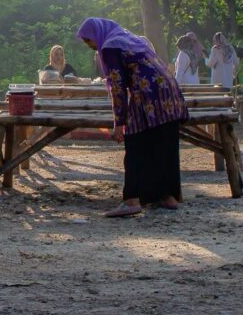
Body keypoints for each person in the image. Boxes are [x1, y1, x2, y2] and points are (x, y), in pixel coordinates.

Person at [77, 17, 188, 217]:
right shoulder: (132, 39)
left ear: (97, 34)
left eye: (89, 41)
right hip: (169, 91)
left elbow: (117, 86)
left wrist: (119, 121)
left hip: (146, 93)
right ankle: (166, 196)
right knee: (164, 143)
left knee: (135, 143)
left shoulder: (109, 47)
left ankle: (131, 200)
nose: (90, 46)